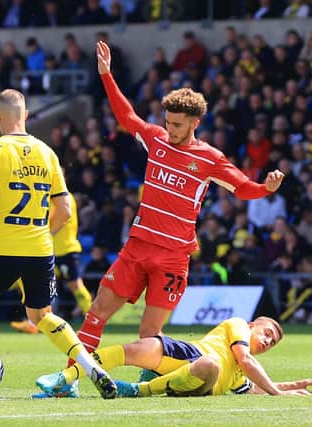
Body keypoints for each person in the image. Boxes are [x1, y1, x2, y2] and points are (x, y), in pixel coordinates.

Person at [68, 41, 285, 376]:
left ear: (195, 122)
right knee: (96, 312)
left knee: (149, 335)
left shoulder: (209, 159)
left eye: (177, 125)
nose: (169, 130)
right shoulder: (155, 139)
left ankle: (145, 386)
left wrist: (265, 188)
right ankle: (69, 378)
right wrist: (107, 75)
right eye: (167, 122)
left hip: (172, 255)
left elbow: (241, 188)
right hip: (138, 245)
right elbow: (127, 116)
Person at [0, 89, 116, 401]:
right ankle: (90, 367)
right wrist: (42, 233)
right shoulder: (47, 152)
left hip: (1, 250)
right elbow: (66, 209)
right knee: (42, 315)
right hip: (40, 251)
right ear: (26, 115)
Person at [36, 316, 312, 398]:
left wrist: (290, 385)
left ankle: (137, 390)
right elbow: (248, 363)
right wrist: (277, 391)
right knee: (134, 349)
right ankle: (66, 377)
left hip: (199, 375)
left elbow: (254, 389)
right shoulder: (238, 327)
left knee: (209, 366)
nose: (267, 341)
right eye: (266, 333)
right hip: (187, 353)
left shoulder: (241, 373)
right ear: (252, 326)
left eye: (271, 343)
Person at [10, 193, 93, 333]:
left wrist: (42, 235)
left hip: (64, 250)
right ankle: (36, 323)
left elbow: (58, 219)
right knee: (38, 285)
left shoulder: (61, 196)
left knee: (75, 286)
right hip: (49, 251)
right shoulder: (48, 196)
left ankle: (92, 323)